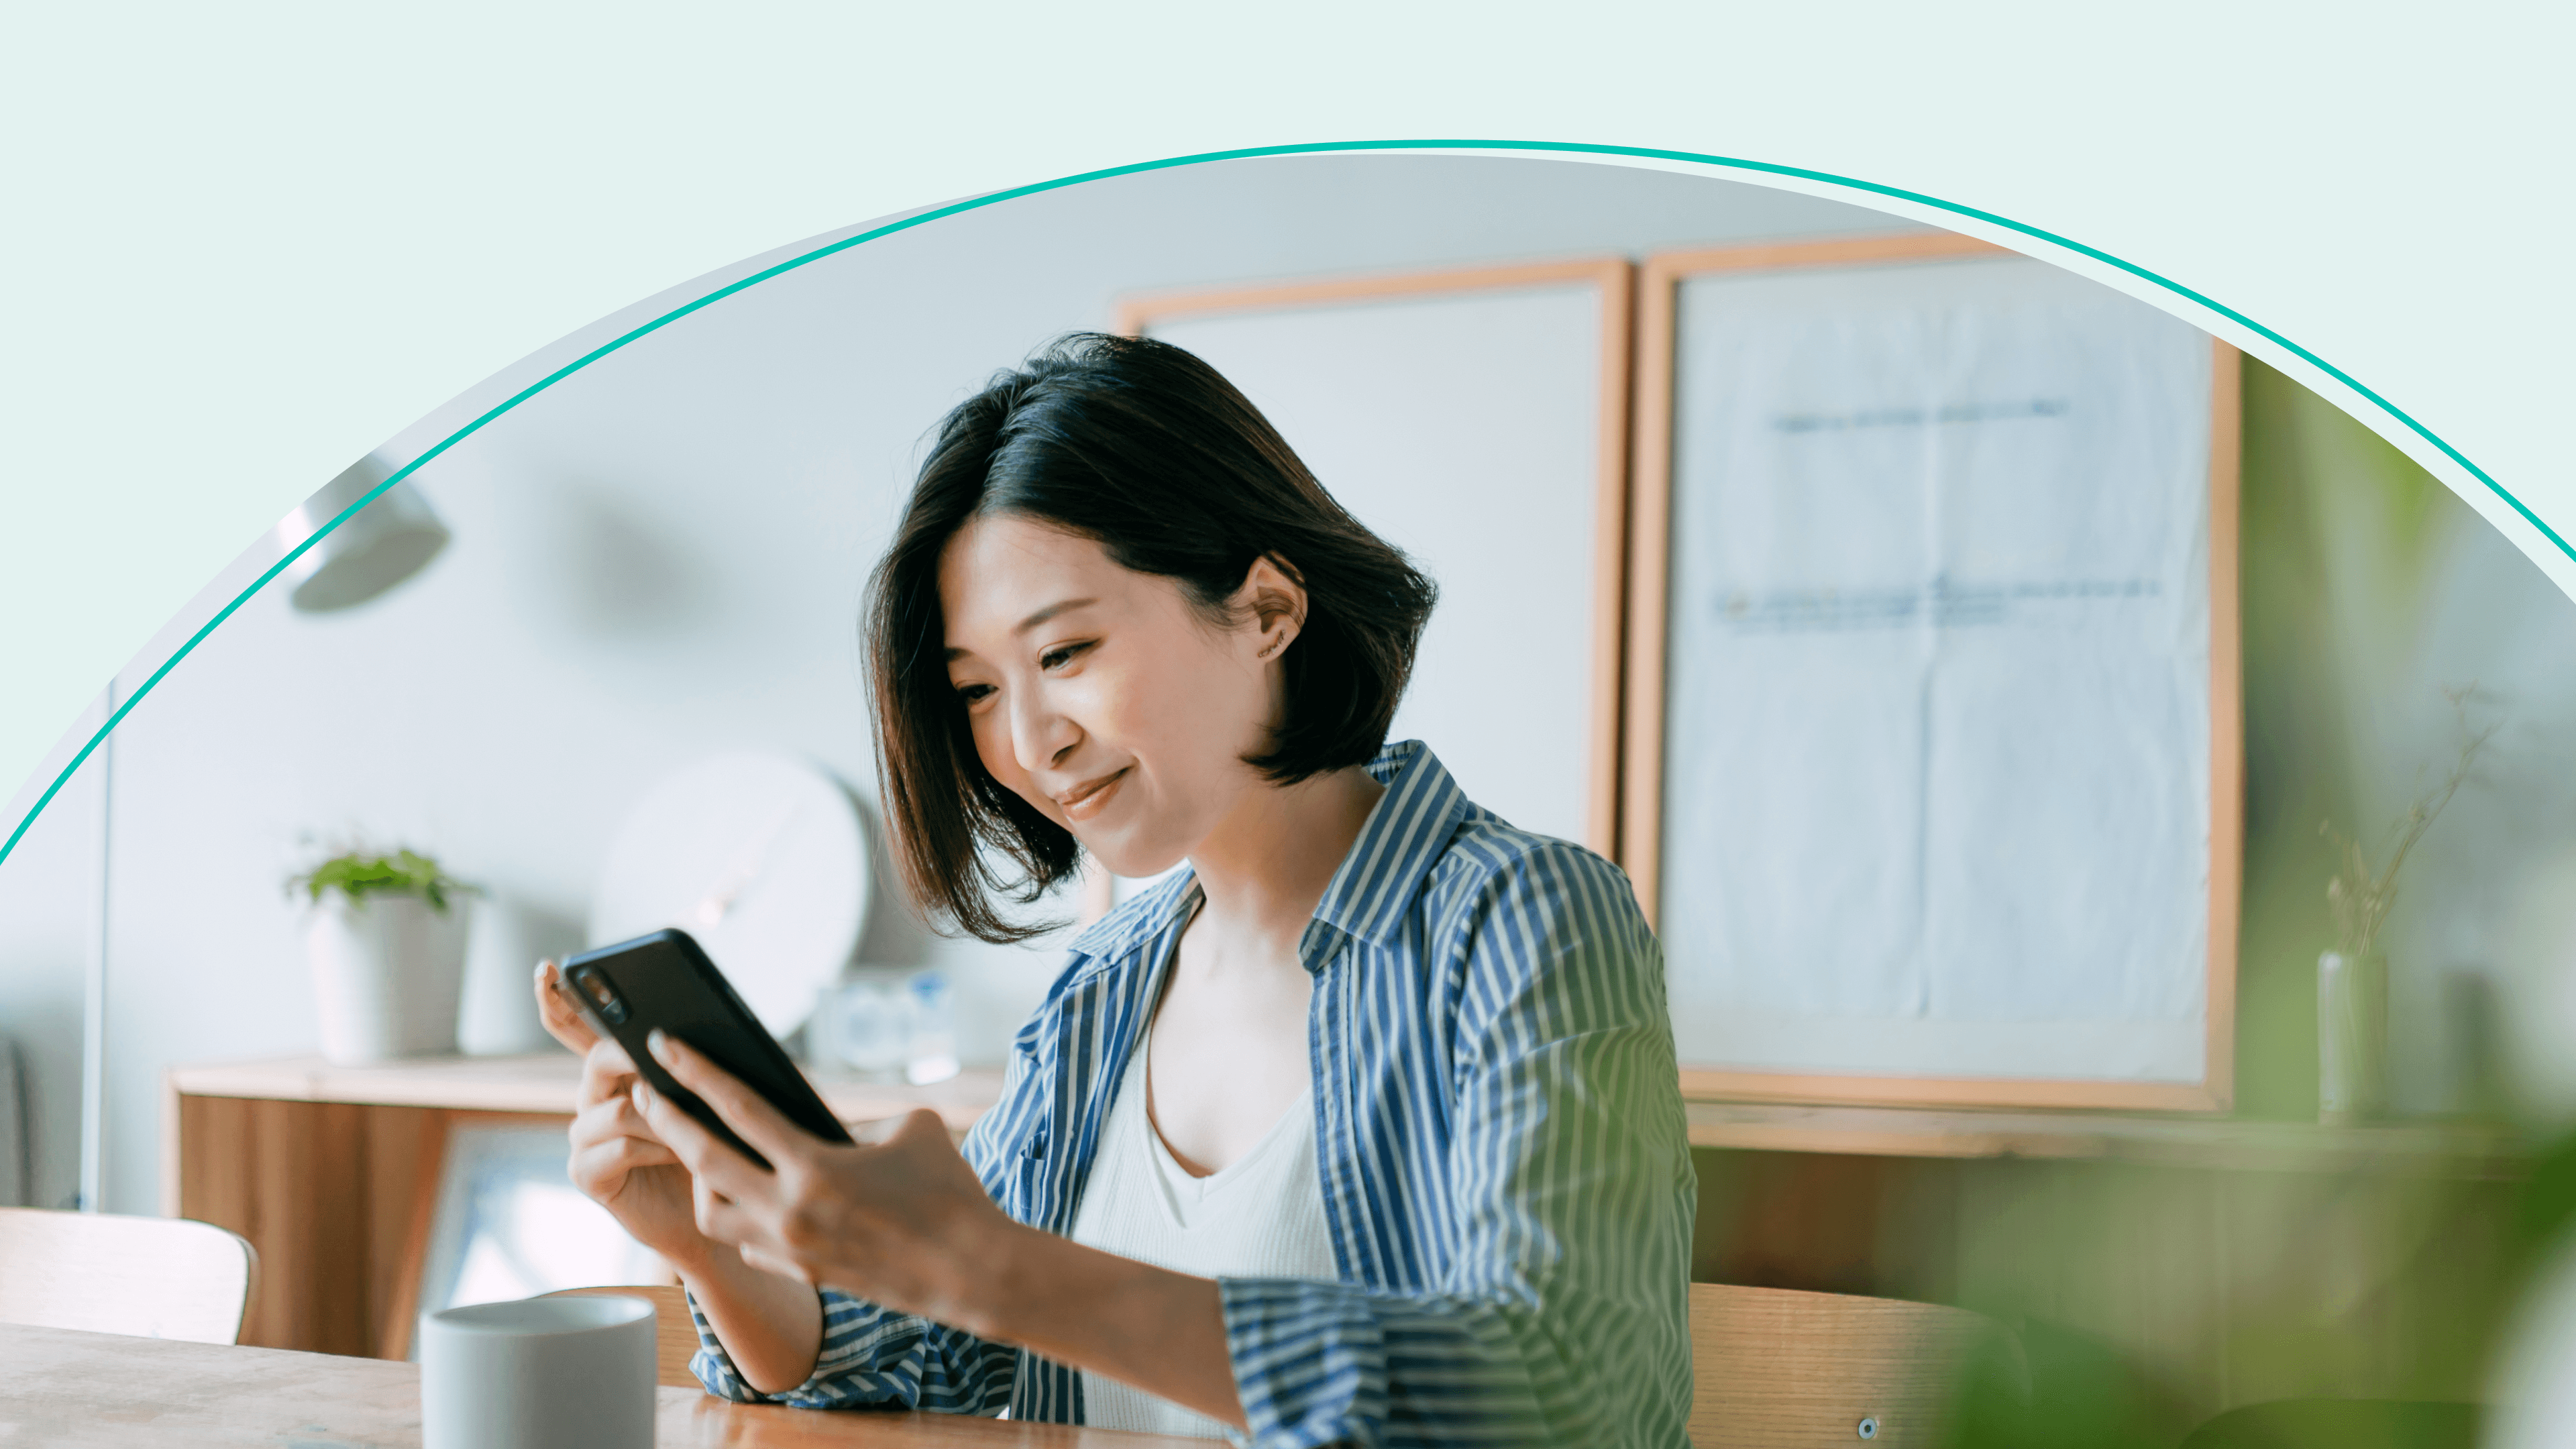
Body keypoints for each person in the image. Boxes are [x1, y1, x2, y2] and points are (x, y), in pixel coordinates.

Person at [534, 332, 1696, 1446]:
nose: (1029, 741)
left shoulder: (1526, 921)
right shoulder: (1104, 987)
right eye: (978, 690)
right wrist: (710, 1249)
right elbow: (918, 1358)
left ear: (1267, 610)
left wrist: (996, 1270)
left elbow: (1561, 1391)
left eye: (1064, 655)